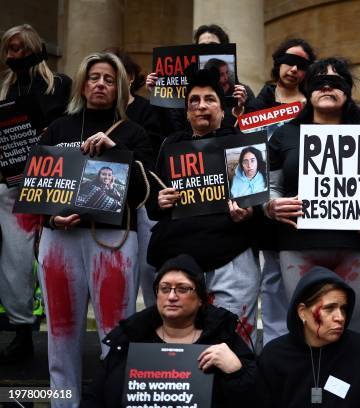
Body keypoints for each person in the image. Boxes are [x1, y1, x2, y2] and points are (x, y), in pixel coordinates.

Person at [37, 52, 153, 406]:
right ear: (82, 85)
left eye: (107, 78)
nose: (100, 84)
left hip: (112, 240)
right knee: (61, 331)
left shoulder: (134, 132)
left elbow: (144, 192)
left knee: (115, 331)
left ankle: (113, 401)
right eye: (93, 78)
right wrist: (51, 218)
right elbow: (38, 186)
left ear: (119, 86)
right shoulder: (58, 127)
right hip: (60, 238)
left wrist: (119, 152)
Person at [266, 57, 360, 335]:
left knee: (352, 330)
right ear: (308, 91)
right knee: (305, 329)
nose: (326, 88)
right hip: (298, 245)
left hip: (355, 246)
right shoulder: (284, 135)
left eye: (335, 82)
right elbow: (271, 188)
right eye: (319, 83)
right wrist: (271, 206)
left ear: (347, 91)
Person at [147, 67, 260, 347]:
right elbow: (153, 206)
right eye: (194, 101)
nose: (201, 106)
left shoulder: (241, 144)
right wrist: (159, 202)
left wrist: (248, 213)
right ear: (186, 112)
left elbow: (257, 206)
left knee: (234, 344)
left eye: (209, 99)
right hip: (180, 260)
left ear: (223, 110)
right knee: (181, 345)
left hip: (231, 259)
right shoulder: (171, 145)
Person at [82, 254, 255, 407]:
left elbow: (257, 398)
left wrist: (236, 371)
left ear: (201, 299)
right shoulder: (129, 340)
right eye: (164, 288)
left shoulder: (224, 340)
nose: (172, 296)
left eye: (183, 289)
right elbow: (94, 397)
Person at [0, 24, 71, 364]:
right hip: (12, 188)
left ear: (32, 48)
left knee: (52, 261)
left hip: (50, 181)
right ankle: (22, 329)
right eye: (8, 50)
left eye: (17, 48)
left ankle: (61, 334)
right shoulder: (4, 90)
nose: (12, 56)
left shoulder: (61, 86)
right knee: (14, 262)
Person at [244, 37, 316, 346]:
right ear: (277, 63)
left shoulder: (313, 105)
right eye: (288, 61)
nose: (294, 69)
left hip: (305, 205)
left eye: (302, 65)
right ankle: (274, 344)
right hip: (265, 200)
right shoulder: (256, 104)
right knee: (271, 279)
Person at [256, 266, 360, 407]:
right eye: (329, 308)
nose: (340, 317)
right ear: (302, 312)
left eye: (343, 308)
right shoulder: (274, 356)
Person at [109, 48, 163, 309]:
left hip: (141, 198)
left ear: (130, 78)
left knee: (147, 266)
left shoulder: (145, 109)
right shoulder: (99, 112)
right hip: (109, 198)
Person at [146, 24, 253, 131]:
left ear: (224, 48)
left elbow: (252, 133)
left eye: (213, 45)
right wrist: (158, 94)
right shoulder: (184, 92)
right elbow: (172, 129)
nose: (207, 49)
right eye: (202, 46)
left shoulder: (242, 93)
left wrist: (240, 110)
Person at [246, 38, 316, 112]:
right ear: (279, 64)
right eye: (290, 61)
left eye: (302, 66)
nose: (294, 69)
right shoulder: (267, 94)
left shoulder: (312, 101)